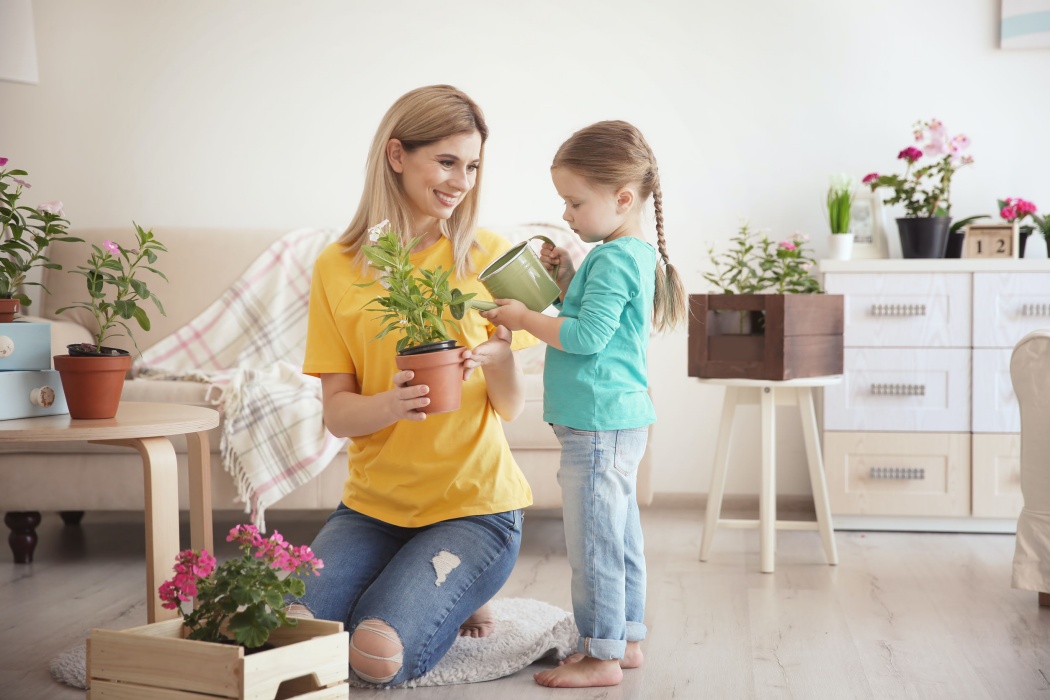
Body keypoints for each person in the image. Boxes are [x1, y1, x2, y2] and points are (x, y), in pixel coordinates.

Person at [293, 85, 536, 686]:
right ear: (397, 155)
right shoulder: (336, 266)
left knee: (375, 655)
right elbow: (338, 414)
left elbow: (511, 406)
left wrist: (501, 357)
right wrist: (391, 403)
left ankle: (456, 588)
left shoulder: (494, 256)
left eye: (473, 165)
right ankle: (429, 584)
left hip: (475, 510)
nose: (462, 181)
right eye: (447, 161)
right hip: (372, 510)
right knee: (289, 632)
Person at [481, 120, 686, 688]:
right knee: (619, 536)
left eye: (575, 202)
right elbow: (601, 319)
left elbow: (587, 338)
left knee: (594, 542)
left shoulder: (617, 257)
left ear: (623, 198)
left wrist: (523, 318)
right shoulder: (627, 253)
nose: (567, 215)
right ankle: (627, 638)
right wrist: (568, 276)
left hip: (597, 424)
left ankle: (600, 656)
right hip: (617, 418)